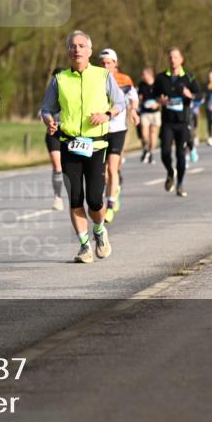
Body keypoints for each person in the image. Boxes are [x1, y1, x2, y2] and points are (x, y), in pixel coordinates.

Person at [40, 30, 124, 263]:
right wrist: (49, 121)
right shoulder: (60, 79)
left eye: (81, 46)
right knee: (76, 197)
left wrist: (107, 114)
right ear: (68, 51)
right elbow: (46, 108)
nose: (76, 49)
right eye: (72, 46)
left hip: (96, 145)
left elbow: (120, 102)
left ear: (89, 51)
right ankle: (85, 246)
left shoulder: (103, 75)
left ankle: (99, 230)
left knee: (95, 200)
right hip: (69, 144)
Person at [154, 47, 200, 196]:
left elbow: (200, 95)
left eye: (175, 57)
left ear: (181, 60)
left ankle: (180, 183)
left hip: (183, 122)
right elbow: (153, 95)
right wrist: (159, 100)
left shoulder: (189, 78)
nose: (172, 60)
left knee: (181, 154)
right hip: (167, 121)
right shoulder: (161, 78)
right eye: (170, 57)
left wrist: (190, 95)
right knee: (165, 152)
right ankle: (170, 171)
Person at [99, 49, 137, 222]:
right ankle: (114, 190)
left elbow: (133, 97)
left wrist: (134, 111)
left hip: (118, 129)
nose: (106, 66)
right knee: (103, 172)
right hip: (100, 130)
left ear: (115, 63)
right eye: (103, 63)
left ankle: (110, 204)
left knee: (112, 168)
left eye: (109, 62)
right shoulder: (96, 78)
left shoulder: (124, 79)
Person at [43, 67, 66, 211]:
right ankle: (58, 197)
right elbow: (44, 111)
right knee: (57, 166)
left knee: (73, 168)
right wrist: (50, 121)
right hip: (54, 132)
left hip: (72, 133)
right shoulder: (50, 94)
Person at [137, 67, 161, 164]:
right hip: (145, 112)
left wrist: (157, 104)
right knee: (144, 134)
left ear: (150, 75)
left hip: (155, 112)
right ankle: (146, 148)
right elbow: (138, 97)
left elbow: (162, 98)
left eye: (144, 75)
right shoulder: (141, 85)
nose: (143, 76)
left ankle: (151, 153)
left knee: (153, 133)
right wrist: (139, 99)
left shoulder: (158, 85)